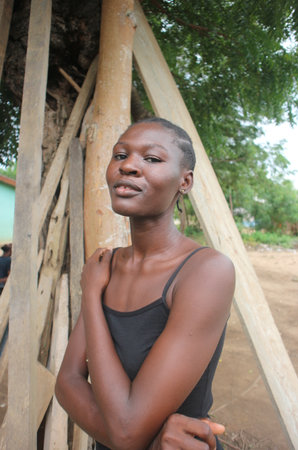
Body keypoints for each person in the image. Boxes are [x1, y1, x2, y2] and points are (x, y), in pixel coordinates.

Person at [56, 118, 235, 449]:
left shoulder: (205, 271)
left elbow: (127, 431)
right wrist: (141, 442)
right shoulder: (104, 267)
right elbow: (67, 382)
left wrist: (92, 295)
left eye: (151, 159)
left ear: (185, 181)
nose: (129, 167)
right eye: (120, 155)